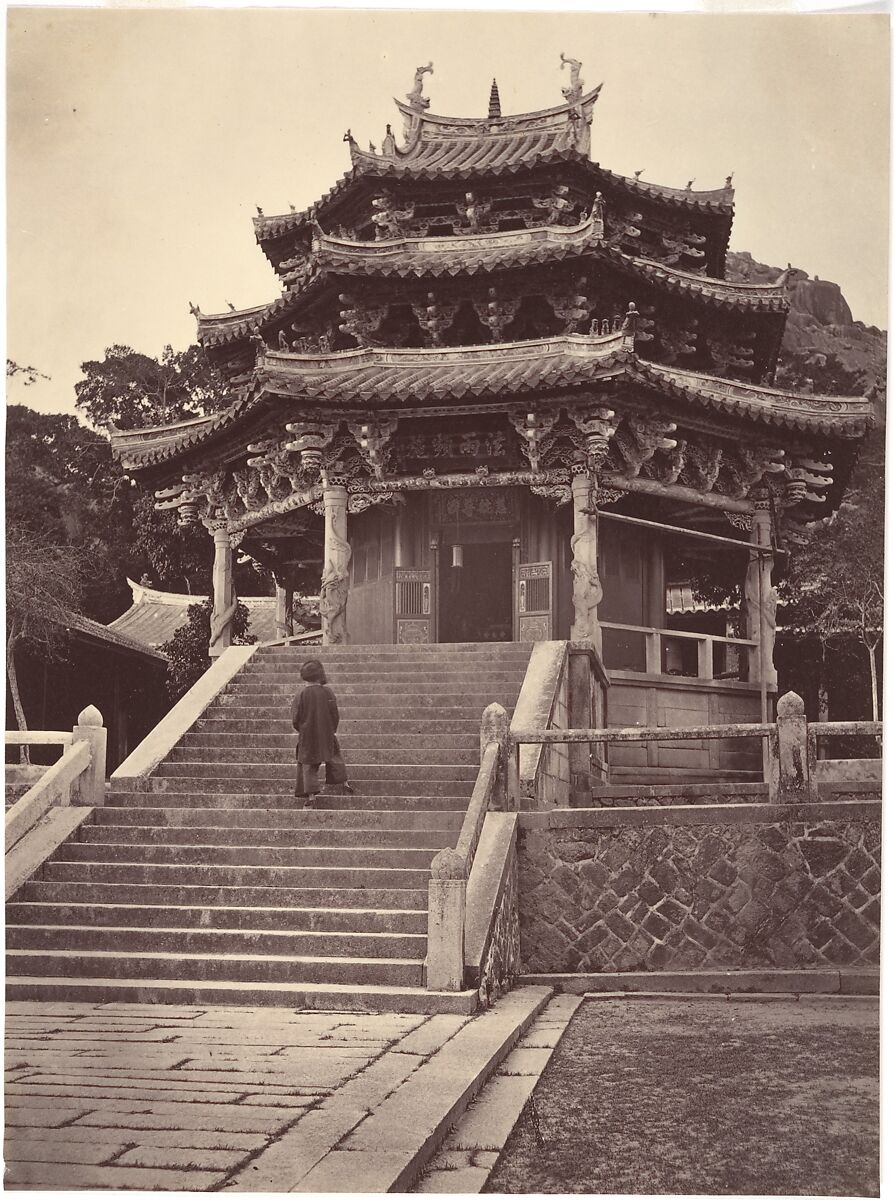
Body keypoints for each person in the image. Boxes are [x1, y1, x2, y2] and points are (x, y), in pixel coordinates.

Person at [290, 659, 348, 806]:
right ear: (321, 674)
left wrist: (302, 729)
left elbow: (295, 717)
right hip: (326, 731)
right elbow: (335, 714)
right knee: (334, 756)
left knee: (307, 764)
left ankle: (311, 796)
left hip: (307, 735)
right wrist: (331, 729)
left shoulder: (301, 694)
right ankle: (344, 783)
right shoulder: (327, 692)